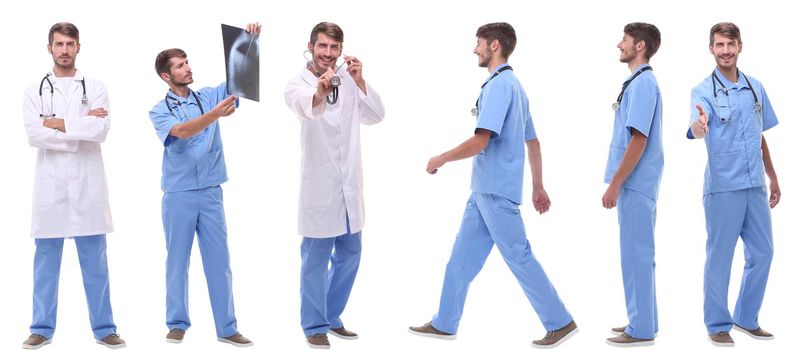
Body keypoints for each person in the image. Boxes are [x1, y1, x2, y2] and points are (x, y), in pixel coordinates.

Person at [408, 22, 577, 349]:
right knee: (460, 259)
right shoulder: (515, 87)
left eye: (479, 43)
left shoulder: (501, 86)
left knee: (518, 256)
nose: (475, 49)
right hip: (483, 192)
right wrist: (538, 187)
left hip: (496, 192)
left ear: (495, 45)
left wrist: (441, 158)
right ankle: (444, 322)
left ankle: (560, 321)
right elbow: (534, 143)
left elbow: (481, 140)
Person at [148, 22, 261, 347]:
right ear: (166, 76)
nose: (188, 68)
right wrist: (214, 116)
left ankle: (227, 328)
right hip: (179, 195)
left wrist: (247, 44)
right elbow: (182, 131)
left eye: (187, 62)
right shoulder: (159, 111)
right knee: (177, 261)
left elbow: (241, 81)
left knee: (219, 261)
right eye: (180, 66)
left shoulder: (209, 95)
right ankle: (177, 323)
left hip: (211, 192)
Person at [21, 22, 125, 349]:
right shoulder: (34, 89)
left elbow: (101, 130)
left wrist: (56, 125)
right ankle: (41, 328)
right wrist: (79, 129)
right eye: (58, 44)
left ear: (79, 46)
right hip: (50, 190)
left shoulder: (94, 86)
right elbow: (33, 134)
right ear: (49, 48)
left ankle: (105, 328)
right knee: (45, 267)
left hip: (88, 188)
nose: (64, 50)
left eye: (70, 44)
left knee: (96, 264)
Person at [284, 22, 385, 349]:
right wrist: (320, 91)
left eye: (334, 48)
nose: (328, 54)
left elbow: (376, 115)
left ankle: (330, 314)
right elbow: (306, 107)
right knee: (315, 260)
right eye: (322, 46)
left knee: (351, 252)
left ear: (341, 49)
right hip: (320, 188)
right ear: (311, 46)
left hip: (349, 187)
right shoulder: (296, 85)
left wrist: (359, 81)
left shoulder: (350, 81)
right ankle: (314, 325)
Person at [688, 22, 780, 347]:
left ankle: (746, 317)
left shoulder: (755, 87)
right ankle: (717, 324)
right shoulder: (702, 91)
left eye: (730, 44)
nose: (725, 50)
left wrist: (774, 178)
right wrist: (700, 125)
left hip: (755, 185)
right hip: (724, 187)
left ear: (740, 46)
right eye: (719, 45)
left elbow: (760, 136)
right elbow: (698, 127)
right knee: (720, 256)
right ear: (711, 49)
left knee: (764, 252)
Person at [602, 22, 663, 347]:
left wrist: (615, 184)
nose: (619, 45)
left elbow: (638, 140)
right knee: (639, 253)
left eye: (624, 39)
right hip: (638, 184)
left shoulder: (642, 85)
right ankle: (644, 320)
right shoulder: (639, 83)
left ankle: (640, 329)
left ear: (640, 46)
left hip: (635, 183)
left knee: (636, 254)